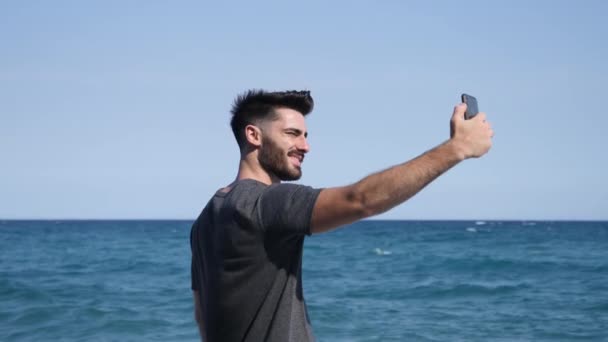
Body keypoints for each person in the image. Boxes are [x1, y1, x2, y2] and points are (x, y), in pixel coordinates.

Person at [190, 89, 493, 341]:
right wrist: (457, 148)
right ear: (254, 135)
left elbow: (203, 313)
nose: (305, 146)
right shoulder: (268, 203)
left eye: (305, 135)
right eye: (292, 134)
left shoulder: (208, 216)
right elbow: (360, 199)